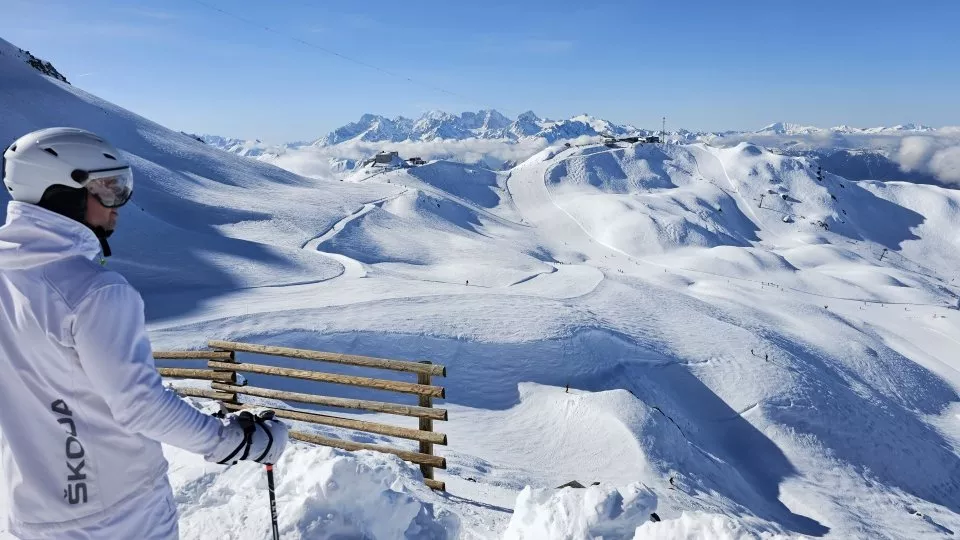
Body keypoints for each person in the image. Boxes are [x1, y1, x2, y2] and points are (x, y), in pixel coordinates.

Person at [0, 128, 289, 539]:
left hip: (25, 515)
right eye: (108, 189)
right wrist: (235, 443)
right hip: (117, 515)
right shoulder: (95, 292)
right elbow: (139, 403)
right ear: (62, 192)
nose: (120, 205)